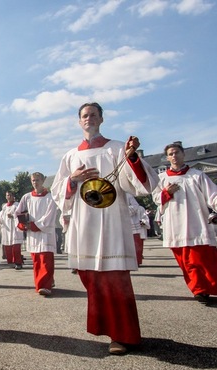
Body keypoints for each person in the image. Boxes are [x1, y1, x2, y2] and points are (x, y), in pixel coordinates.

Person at [52, 102, 157, 355]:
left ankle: (124, 334)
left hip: (111, 220)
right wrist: (73, 180)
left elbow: (139, 185)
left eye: (93, 115)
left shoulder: (117, 148)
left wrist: (131, 157)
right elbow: (58, 192)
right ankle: (108, 328)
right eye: (84, 115)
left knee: (115, 277)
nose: (89, 118)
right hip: (84, 222)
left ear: (101, 119)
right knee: (93, 278)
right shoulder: (70, 155)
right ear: (79, 121)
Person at [153, 143, 217, 303]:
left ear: (183, 154)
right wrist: (166, 193)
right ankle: (198, 288)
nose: (174, 156)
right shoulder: (162, 178)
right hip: (174, 224)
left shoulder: (197, 175)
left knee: (200, 258)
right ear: (167, 158)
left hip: (196, 222)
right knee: (185, 261)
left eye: (177, 152)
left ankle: (202, 290)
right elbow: (156, 198)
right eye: (170, 154)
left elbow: (213, 195)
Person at [15, 172, 57, 296]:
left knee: (45, 259)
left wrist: (33, 225)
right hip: (33, 234)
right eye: (33, 180)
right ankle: (45, 282)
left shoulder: (50, 197)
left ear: (43, 180)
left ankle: (45, 286)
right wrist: (23, 224)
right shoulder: (26, 197)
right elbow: (18, 212)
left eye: (38, 180)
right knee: (37, 260)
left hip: (45, 233)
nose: (35, 182)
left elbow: (49, 217)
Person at [0, 191, 24, 269]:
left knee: (16, 247)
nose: (8, 196)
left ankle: (18, 262)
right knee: (8, 246)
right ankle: (10, 262)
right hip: (7, 229)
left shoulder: (17, 205)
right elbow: (2, 216)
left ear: (13, 196)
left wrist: (12, 216)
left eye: (10, 195)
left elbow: (20, 214)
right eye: (7, 195)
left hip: (15, 228)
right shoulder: (4, 206)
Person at [126, 194, 148, 266]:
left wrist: (123, 210)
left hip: (134, 225)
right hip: (122, 224)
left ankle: (137, 261)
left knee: (136, 245)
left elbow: (135, 207)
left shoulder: (128, 195)